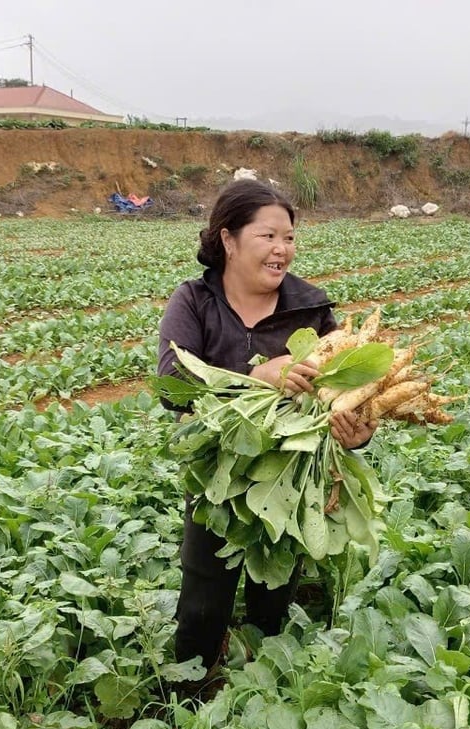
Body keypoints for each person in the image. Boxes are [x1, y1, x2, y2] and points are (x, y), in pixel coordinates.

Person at [157, 180, 377, 675]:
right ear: (228, 240)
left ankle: (261, 689)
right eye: (268, 236)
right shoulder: (194, 301)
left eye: (291, 238)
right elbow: (173, 388)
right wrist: (257, 377)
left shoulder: (313, 308)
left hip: (290, 480)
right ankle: (186, 695)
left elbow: (348, 391)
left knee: (274, 592)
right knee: (202, 600)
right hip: (217, 475)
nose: (283, 249)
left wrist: (358, 432)